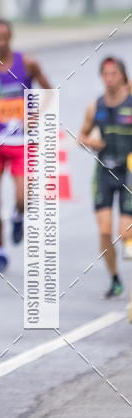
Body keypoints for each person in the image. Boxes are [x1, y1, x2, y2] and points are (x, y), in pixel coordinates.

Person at [0, 19, 51, 274]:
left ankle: (18, 217)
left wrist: (34, 115)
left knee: (21, 198)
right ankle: (0, 252)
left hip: (21, 142)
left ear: (10, 37)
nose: (0, 41)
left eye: (4, 36)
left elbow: (49, 92)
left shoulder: (27, 63)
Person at [78, 56, 132, 297]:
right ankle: (115, 279)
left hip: (129, 172)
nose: (109, 79)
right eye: (105, 74)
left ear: (123, 76)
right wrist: (90, 142)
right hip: (104, 173)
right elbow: (81, 136)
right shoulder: (95, 106)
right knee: (104, 231)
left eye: (114, 74)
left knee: (126, 232)